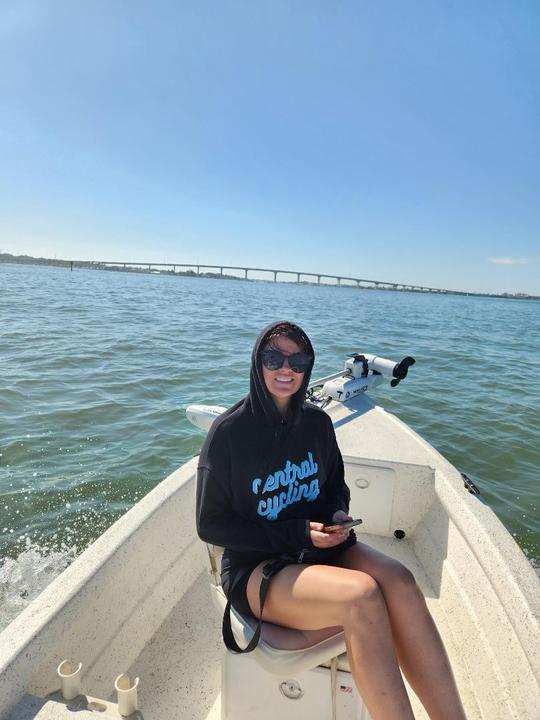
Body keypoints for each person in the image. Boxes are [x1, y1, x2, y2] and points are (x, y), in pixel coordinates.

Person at [196, 320, 467, 720]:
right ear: (258, 363)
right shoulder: (229, 434)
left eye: (297, 358)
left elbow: (334, 487)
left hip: (318, 547)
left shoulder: (317, 424)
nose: (285, 368)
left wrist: (335, 514)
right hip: (256, 566)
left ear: (308, 366)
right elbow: (211, 526)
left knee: (401, 581)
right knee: (361, 597)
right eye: (273, 357)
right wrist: (296, 531)